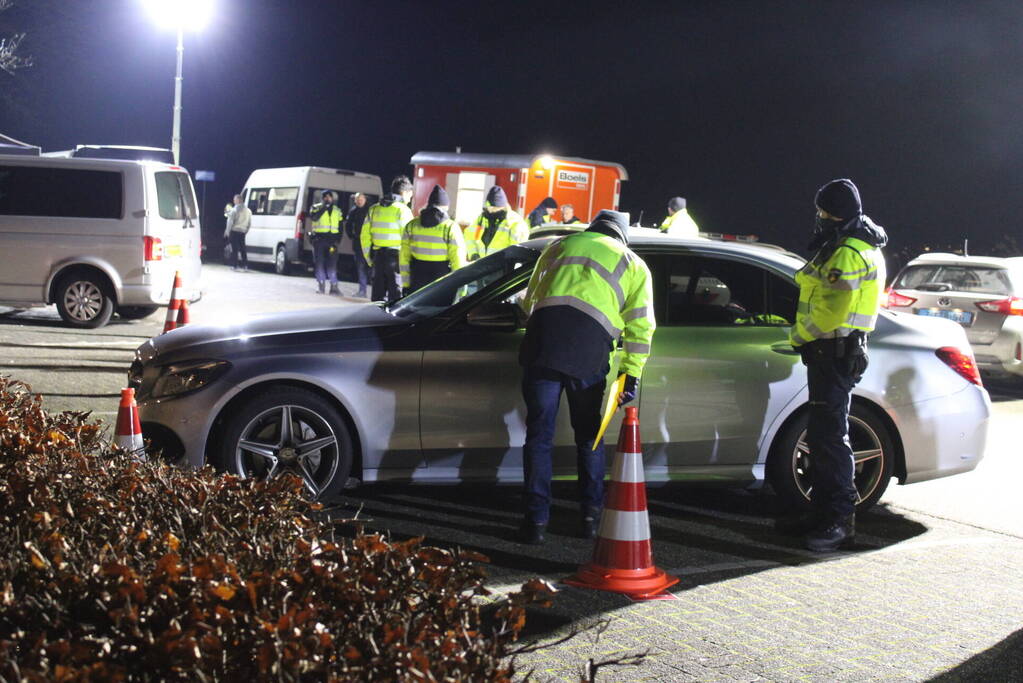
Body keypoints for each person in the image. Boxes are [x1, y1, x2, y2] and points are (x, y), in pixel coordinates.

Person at [517, 209, 656, 544]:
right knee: (589, 437)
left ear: (593, 228)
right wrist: (630, 375)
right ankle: (591, 518)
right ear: (622, 236)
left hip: (542, 346)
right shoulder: (633, 264)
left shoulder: (557, 246)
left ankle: (536, 522)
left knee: (539, 437)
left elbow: (529, 300)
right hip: (589, 354)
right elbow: (641, 327)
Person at [778, 178, 888, 552]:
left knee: (830, 439)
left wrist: (797, 336)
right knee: (824, 438)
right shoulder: (857, 246)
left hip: (834, 351)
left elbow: (831, 311)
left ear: (835, 213)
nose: (819, 217)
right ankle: (823, 514)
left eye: (823, 211)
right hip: (836, 351)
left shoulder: (847, 253)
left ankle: (839, 522)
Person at [399, 185, 466, 293]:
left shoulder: (411, 225)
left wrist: (406, 284)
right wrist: (461, 288)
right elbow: (457, 260)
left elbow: (404, 258)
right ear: (446, 207)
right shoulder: (450, 227)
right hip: (442, 280)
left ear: (429, 205)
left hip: (417, 278)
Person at [362, 176, 415, 302]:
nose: (409, 199)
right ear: (404, 192)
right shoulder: (403, 210)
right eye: (410, 196)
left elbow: (364, 237)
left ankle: (374, 321)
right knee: (395, 299)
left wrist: (370, 259)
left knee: (377, 298)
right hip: (396, 259)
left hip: (378, 257)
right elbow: (410, 239)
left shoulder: (374, 209)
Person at [465, 186, 529, 261]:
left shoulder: (515, 222)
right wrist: (473, 254)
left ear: (502, 207)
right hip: (481, 265)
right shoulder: (481, 219)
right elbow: (470, 237)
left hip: (503, 268)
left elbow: (517, 250)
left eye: (494, 208)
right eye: (489, 208)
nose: (490, 211)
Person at [309, 190, 344, 294]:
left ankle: (334, 287)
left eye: (329, 197)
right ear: (322, 198)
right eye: (325, 197)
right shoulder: (316, 207)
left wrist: (338, 240)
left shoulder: (337, 210)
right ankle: (321, 286)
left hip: (332, 242)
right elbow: (314, 218)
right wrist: (324, 208)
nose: (327, 198)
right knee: (319, 264)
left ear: (332, 198)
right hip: (319, 240)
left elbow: (341, 227)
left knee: (332, 265)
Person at [345, 192, 371, 298]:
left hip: (370, 243)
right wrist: (351, 235)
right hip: (358, 243)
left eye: (361, 199)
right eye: (357, 199)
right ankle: (362, 291)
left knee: (371, 267)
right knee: (360, 267)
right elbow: (348, 225)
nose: (359, 201)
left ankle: (374, 291)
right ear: (355, 201)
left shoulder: (370, 211)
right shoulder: (353, 211)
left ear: (365, 199)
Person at [223, 193, 252, 271]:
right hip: (242, 232)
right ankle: (245, 266)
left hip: (234, 231)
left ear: (239, 200)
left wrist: (227, 231)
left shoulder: (234, 210)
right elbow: (249, 223)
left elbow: (230, 222)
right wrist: (245, 231)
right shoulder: (248, 211)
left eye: (234, 199)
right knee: (243, 249)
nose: (233, 201)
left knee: (234, 249)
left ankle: (234, 266)